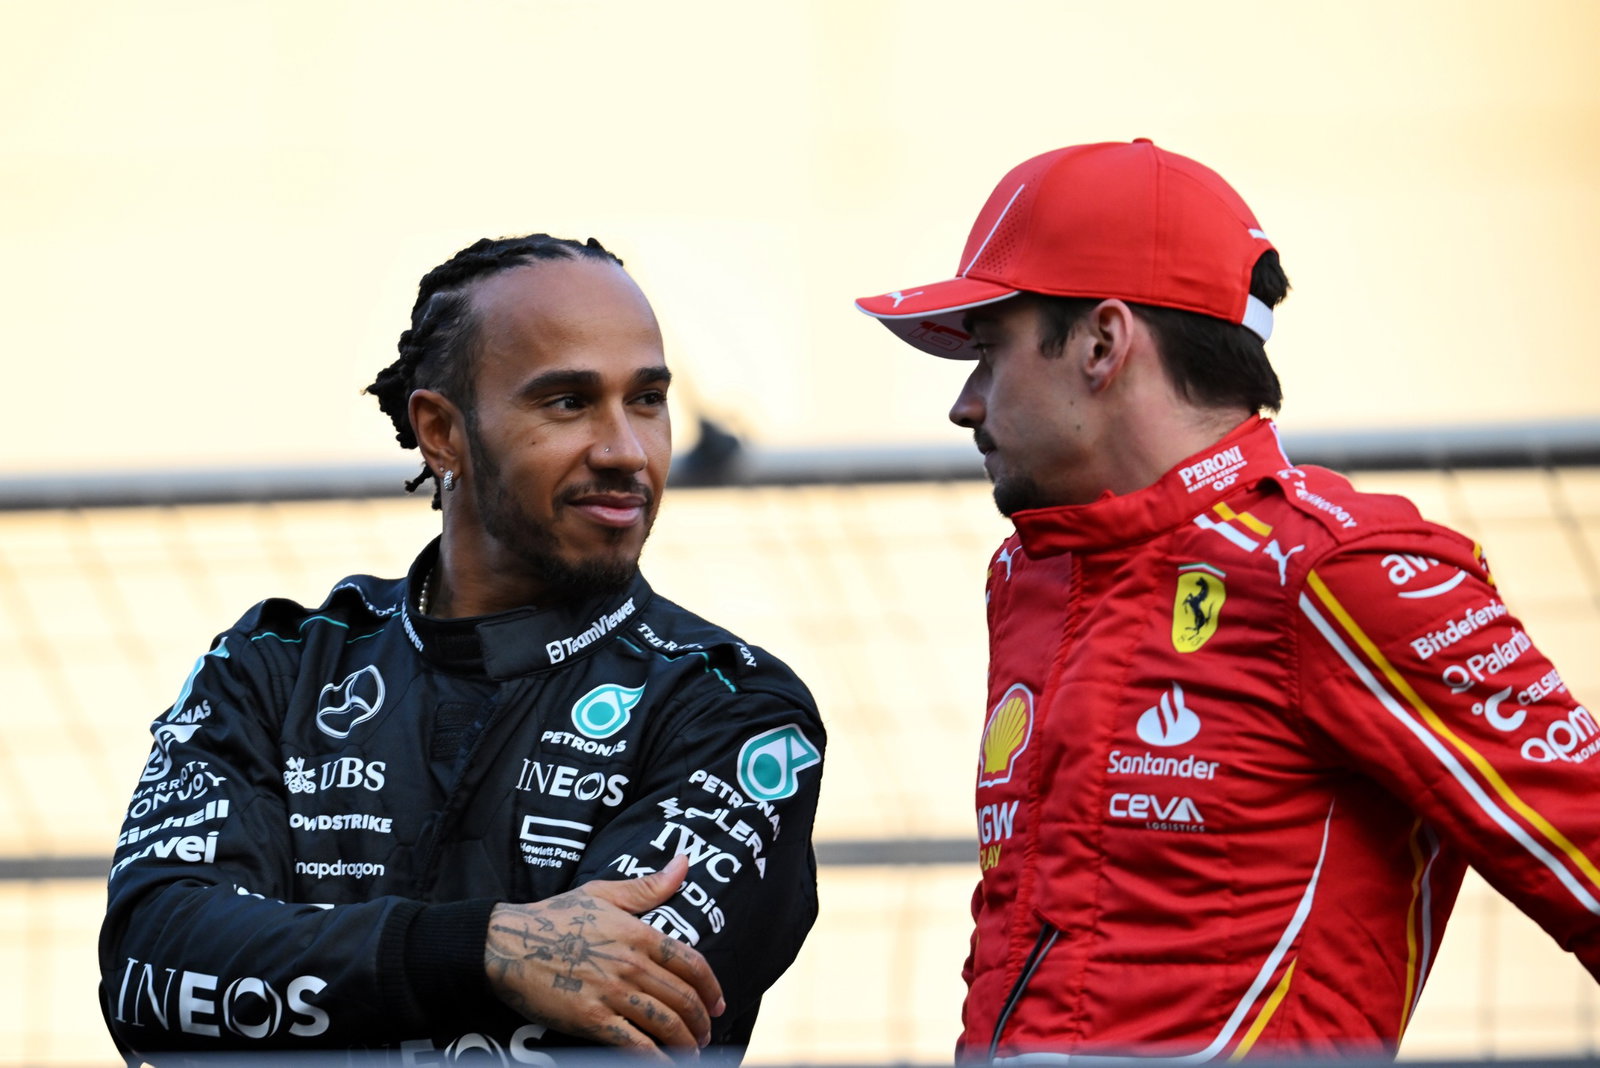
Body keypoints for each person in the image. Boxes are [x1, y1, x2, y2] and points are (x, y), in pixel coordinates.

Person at [855, 139, 1600, 1061]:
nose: (965, 405)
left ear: (1102, 342)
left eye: (987, 351)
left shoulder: (1336, 566)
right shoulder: (1032, 573)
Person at [99, 234, 826, 1063]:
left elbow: (609, 1018)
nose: (625, 449)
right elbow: (150, 965)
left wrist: (313, 966)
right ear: (441, 432)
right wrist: (488, 949)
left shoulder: (734, 709)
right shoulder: (274, 665)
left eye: (648, 400)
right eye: (567, 403)